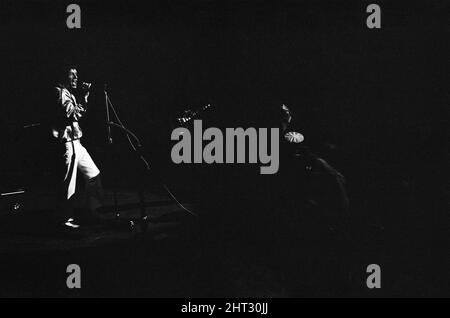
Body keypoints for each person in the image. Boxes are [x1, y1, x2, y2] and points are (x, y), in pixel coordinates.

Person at [51, 66, 103, 229]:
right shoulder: (59, 92)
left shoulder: (69, 92)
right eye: (71, 75)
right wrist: (84, 97)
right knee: (69, 182)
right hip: (67, 142)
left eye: (76, 75)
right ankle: (65, 220)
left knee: (93, 174)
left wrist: (82, 97)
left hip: (76, 142)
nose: (76, 78)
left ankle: (93, 211)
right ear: (63, 77)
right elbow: (72, 114)